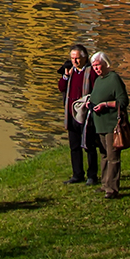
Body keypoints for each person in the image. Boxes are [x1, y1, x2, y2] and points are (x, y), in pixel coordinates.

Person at [85, 50, 129, 198]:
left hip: (112, 125)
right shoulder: (98, 80)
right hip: (99, 124)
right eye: (94, 66)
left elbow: (123, 102)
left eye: (98, 65)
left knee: (113, 156)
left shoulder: (113, 78)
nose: (96, 68)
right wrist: (90, 104)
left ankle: (112, 189)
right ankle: (105, 184)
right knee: (104, 155)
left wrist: (106, 105)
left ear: (105, 64)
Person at [57, 44, 99, 184]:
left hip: (86, 115)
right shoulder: (71, 72)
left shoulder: (90, 72)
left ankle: (92, 175)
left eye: (77, 58)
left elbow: (96, 90)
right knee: (74, 147)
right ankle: (77, 174)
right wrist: (65, 76)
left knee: (89, 145)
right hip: (71, 114)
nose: (75, 61)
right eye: (72, 58)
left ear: (85, 57)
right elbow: (61, 87)